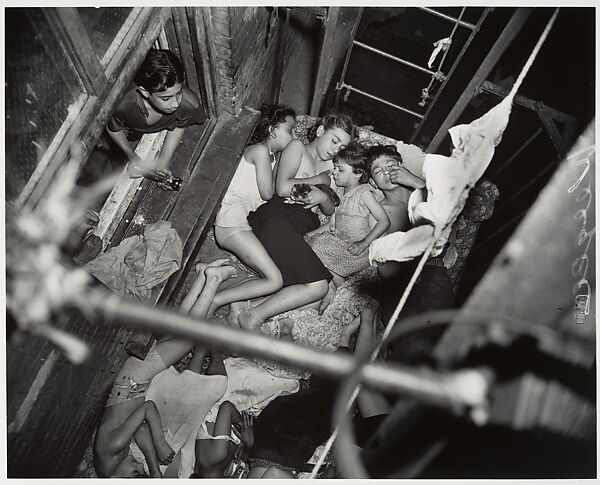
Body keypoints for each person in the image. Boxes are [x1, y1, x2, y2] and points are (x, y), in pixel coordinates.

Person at [94, 259, 236, 478]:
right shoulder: (109, 461)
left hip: (134, 379)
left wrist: (159, 443)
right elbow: (140, 429)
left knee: (189, 336)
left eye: (134, 472)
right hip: (133, 383)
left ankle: (214, 279)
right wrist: (154, 470)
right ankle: (202, 275)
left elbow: (148, 408)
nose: (135, 465)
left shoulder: (113, 447)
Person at [238, 113, 356, 331]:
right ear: (321, 131)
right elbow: (282, 188)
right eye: (334, 140)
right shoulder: (297, 147)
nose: (336, 149)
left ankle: (244, 307)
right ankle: (253, 316)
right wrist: (319, 182)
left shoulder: (330, 171)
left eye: (342, 147)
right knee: (318, 286)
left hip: (297, 227)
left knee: (317, 293)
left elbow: (330, 211)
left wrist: (323, 195)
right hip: (276, 217)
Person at [210, 105, 296, 316]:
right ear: (273, 130)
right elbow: (268, 194)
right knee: (274, 280)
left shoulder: (271, 158)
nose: (293, 136)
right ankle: (215, 300)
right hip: (231, 220)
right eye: (290, 129)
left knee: (275, 277)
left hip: (237, 222)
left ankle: (217, 296)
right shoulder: (259, 151)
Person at [78, 49, 206, 189]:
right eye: (166, 98)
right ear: (145, 92)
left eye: (179, 93)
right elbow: (113, 129)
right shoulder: (123, 104)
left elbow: (180, 125)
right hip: (126, 130)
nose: (175, 103)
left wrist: (162, 163)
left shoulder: (188, 104)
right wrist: (131, 155)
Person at [308, 143, 390, 288]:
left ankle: (344, 287)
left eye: (340, 170)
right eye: (334, 168)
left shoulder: (364, 193)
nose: (334, 173)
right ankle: (333, 287)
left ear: (358, 173)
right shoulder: (339, 192)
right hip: (340, 244)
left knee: (316, 247)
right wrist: (309, 234)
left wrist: (363, 243)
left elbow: (384, 221)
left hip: (358, 251)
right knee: (312, 243)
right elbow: (331, 224)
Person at [192, 401, 254, 478]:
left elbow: (226, 407)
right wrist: (246, 445)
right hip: (242, 409)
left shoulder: (215, 457)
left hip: (223, 400)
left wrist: (243, 427)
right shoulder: (226, 472)